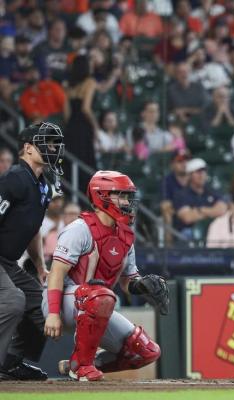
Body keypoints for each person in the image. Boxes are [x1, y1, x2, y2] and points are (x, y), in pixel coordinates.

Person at [43, 171, 168, 381]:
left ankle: (79, 363)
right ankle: (81, 366)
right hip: (59, 301)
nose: (128, 201)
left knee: (145, 351)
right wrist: (53, 314)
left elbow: (128, 282)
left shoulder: (126, 234)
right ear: (102, 196)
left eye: (128, 196)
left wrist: (143, 285)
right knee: (101, 295)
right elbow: (56, 273)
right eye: (122, 195)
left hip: (97, 303)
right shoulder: (80, 229)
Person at [0, 122, 64, 380]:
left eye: (54, 144)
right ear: (27, 148)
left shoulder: (44, 185)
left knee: (43, 304)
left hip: (7, 262)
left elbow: (32, 228)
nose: (53, 149)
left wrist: (40, 266)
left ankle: (11, 362)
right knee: (13, 301)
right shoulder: (14, 177)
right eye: (46, 143)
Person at [63, 54, 98, 194]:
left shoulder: (68, 86)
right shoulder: (90, 82)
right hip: (83, 127)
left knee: (71, 165)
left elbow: (66, 114)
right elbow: (86, 108)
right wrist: (95, 127)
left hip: (71, 128)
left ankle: (72, 196)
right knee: (85, 162)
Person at [173, 158, 228, 241]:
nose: (202, 175)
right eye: (198, 172)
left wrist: (200, 210)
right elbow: (188, 218)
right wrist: (212, 212)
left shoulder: (210, 191)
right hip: (190, 232)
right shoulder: (181, 194)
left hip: (213, 230)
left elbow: (222, 210)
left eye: (204, 171)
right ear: (190, 175)